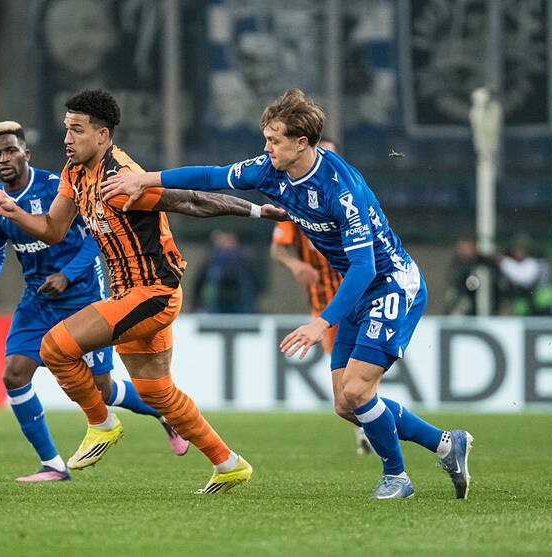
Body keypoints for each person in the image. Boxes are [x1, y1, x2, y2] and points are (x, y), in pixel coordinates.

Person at [101, 88, 474, 500]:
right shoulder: (269, 170)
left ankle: (397, 478)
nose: (266, 148)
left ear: (301, 143)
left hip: (392, 284)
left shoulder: (341, 191)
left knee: (357, 391)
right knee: (345, 404)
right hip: (357, 289)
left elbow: (366, 266)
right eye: (266, 139)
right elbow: (211, 176)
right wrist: (145, 178)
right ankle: (446, 444)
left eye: (274, 140)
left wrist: (321, 323)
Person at [0, 89, 285, 493]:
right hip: (128, 295)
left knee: (54, 348)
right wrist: (14, 211)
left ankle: (102, 423)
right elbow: (53, 230)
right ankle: (228, 464)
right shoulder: (73, 173)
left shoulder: (122, 178)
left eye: (77, 130)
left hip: (153, 292)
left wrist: (257, 210)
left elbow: (191, 201)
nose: (67, 139)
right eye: (66, 129)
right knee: (157, 392)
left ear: (103, 135)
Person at [0, 120, 189, 483]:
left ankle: (166, 412)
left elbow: (96, 236)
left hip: (83, 294)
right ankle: (52, 464)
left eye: (10, 150)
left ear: (26, 153)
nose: (3, 159)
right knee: (14, 374)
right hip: (37, 299)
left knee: (102, 389)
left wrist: (67, 274)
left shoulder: (57, 187)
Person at [269, 137, 371, 455]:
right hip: (324, 302)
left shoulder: (348, 197)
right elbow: (277, 248)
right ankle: (368, 427)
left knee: (359, 372)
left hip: (361, 298)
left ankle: (373, 430)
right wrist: (296, 265)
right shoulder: (296, 202)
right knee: (345, 388)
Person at [193, 229, 258, 313]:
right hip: (216, 304)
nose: (227, 244)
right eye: (224, 240)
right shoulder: (211, 260)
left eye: (230, 240)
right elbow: (199, 284)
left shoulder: (244, 259)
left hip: (240, 305)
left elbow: (254, 283)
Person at [443, 237, 498, 316]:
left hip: (483, 308)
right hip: (463, 306)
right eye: (461, 248)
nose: (464, 251)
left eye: (467, 248)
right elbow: (455, 284)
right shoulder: (457, 265)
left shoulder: (485, 264)